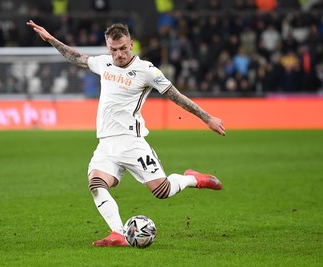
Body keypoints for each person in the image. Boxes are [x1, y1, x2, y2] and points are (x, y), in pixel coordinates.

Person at [27, 20, 226, 247]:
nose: (119, 54)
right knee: (96, 184)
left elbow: (177, 97)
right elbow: (76, 57)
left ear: (131, 44)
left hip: (132, 142)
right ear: (107, 47)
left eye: (123, 48)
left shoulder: (147, 71)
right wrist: (51, 39)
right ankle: (118, 234)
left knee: (162, 191)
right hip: (106, 144)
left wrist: (207, 118)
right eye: (114, 49)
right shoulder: (104, 64)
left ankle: (193, 178)